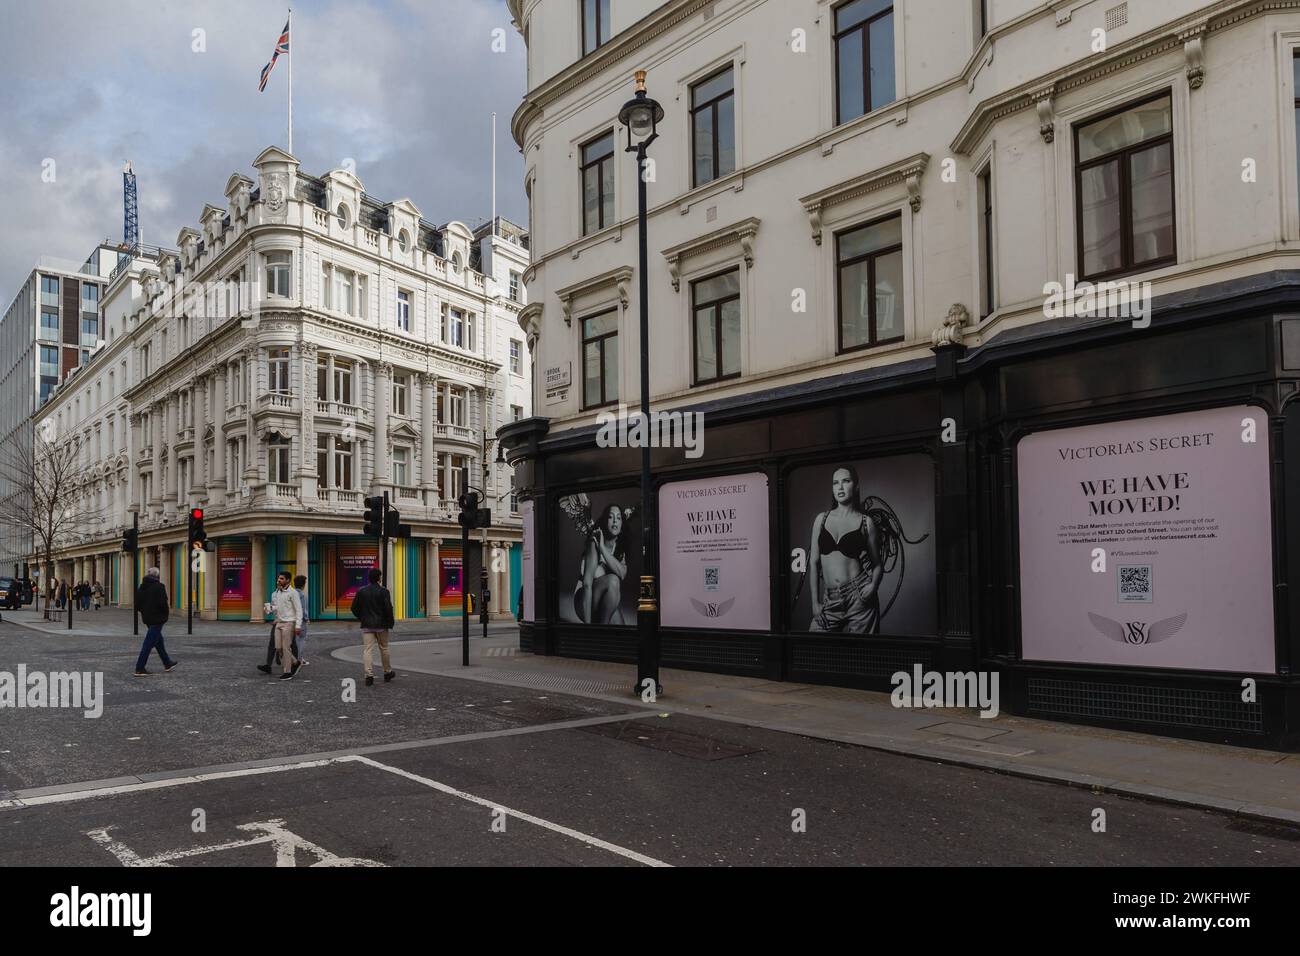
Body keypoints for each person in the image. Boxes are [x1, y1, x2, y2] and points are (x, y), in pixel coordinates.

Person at [809, 465, 884, 634]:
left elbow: (878, 565)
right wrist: (814, 603)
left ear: (856, 486)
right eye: (836, 483)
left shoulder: (866, 522)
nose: (840, 487)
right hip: (830, 600)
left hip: (859, 598)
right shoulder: (821, 519)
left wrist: (873, 586)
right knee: (812, 649)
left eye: (846, 481)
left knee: (862, 656)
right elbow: (813, 564)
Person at [573, 504, 628, 624]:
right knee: (613, 580)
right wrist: (588, 626)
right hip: (583, 599)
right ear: (604, 520)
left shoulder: (619, 546)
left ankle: (603, 628)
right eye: (611, 517)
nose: (615, 521)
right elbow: (587, 585)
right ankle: (600, 631)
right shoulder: (594, 542)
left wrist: (603, 548)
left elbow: (622, 573)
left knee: (621, 629)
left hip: (600, 599)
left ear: (622, 524)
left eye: (618, 518)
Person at [350, 568, 395, 687]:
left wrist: (362, 617)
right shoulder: (384, 591)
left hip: (367, 625)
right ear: (379, 578)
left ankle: (369, 675)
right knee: (384, 648)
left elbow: (354, 608)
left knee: (367, 650)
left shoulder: (361, 591)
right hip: (381, 625)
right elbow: (388, 608)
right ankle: (387, 672)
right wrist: (390, 622)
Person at [134, 567, 177, 676]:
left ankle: (167, 663)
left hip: (147, 618)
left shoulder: (141, 588)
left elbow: (137, 605)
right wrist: (165, 616)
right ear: (157, 576)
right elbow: (163, 604)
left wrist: (145, 612)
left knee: (158, 641)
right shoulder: (159, 587)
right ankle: (139, 668)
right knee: (148, 643)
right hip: (157, 619)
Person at [267, 572, 303, 681]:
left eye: (281, 578)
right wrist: (270, 609)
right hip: (279, 622)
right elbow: (277, 607)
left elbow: (298, 609)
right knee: (278, 648)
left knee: (286, 648)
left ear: (288, 580)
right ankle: (296, 662)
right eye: (278, 578)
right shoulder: (278, 592)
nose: (279, 580)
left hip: (289, 623)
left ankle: (287, 672)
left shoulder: (293, 593)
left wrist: (298, 625)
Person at [293, 575, 310, 665]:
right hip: (301, 621)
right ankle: (299, 659)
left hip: (292, 620)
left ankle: (294, 658)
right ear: (303, 584)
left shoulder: (291, 593)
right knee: (301, 639)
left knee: (294, 640)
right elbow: (303, 609)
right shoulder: (302, 595)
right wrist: (306, 619)